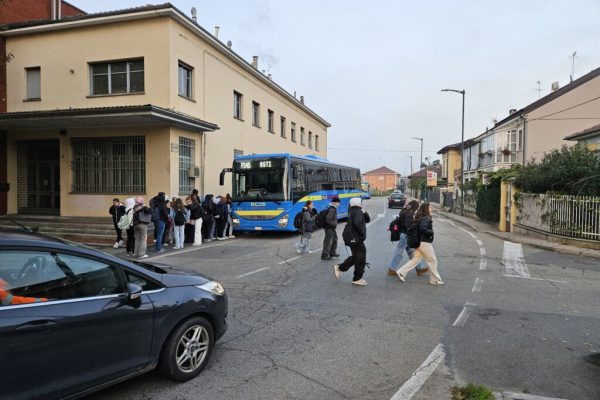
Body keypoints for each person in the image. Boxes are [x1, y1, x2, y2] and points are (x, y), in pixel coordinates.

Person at [395, 202, 444, 285]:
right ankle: (434, 280)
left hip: (419, 243)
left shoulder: (420, 217)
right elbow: (422, 229)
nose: (431, 209)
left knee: (415, 260)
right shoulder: (425, 218)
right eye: (430, 207)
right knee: (432, 260)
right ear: (426, 209)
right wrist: (431, 232)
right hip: (424, 243)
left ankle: (401, 272)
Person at [334, 197, 370, 286]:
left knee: (357, 257)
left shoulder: (352, 210)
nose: (362, 203)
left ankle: (340, 267)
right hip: (357, 239)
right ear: (358, 203)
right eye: (361, 202)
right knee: (361, 257)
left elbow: (367, 220)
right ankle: (357, 278)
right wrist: (362, 234)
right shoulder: (357, 211)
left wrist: (364, 212)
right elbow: (357, 223)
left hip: (352, 238)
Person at [387, 200, 429, 276]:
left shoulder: (404, 211)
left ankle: (419, 268)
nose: (417, 209)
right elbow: (408, 226)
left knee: (412, 252)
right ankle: (391, 268)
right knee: (399, 251)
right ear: (414, 206)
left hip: (404, 234)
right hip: (406, 235)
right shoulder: (409, 214)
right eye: (417, 207)